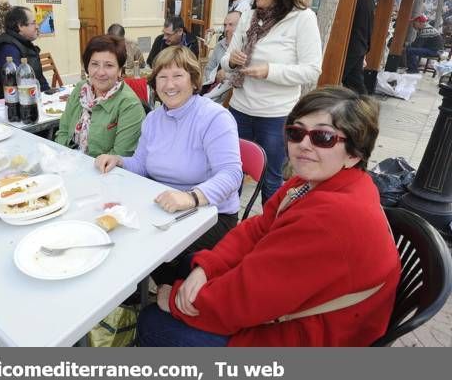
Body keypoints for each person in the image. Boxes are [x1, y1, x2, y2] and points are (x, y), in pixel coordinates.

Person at [137, 86, 401, 347]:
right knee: (191, 264)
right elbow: (258, 228)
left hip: (320, 333)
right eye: (296, 133)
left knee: (152, 322)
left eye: (323, 137)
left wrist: (174, 302)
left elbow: (248, 298)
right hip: (304, 303)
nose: (303, 145)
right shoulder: (313, 182)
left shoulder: (330, 217)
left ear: (355, 153)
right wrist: (209, 266)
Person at [95, 46, 242, 285]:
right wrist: (119, 161)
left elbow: (232, 174)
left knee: (147, 251)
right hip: (163, 206)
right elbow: (142, 164)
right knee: (117, 235)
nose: (169, 84)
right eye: (162, 77)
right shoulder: (153, 119)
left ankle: (162, 292)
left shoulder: (215, 117)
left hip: (211, 213)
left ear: (194, 81)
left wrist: (192, 197)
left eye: (177, 76)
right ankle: (144, 293)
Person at [221, 0, 322, 202]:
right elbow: (227, 58)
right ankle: (228, 226)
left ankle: (272, 233)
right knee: (231, 172)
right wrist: (231, 60)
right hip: (239, 109)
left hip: (275, 116)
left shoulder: (302, 18)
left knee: (271, 178)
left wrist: (270, 71)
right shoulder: (250, 16)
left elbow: (312, 69)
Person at [55, 34, 145, 157]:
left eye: (109, 65)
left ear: (119, 70)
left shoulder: (129, 105)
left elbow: (120, 155)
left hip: (104, 172)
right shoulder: (81, 89)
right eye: (95, 64)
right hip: (69, 163)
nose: (101, 72)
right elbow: (63, 132)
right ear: (87, 67)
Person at [0, 6, 50, 99]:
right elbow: (19, 84)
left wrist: (49, 94)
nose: (37, 27)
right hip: (10, 104)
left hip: (31, 98)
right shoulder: (8, 48)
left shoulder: (24, 43)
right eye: (33, 23)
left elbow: (39, 77)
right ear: (20, 26)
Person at [201, 11, 241, 104]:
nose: (226, 29)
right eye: (225, 25)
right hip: (211, 94)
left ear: (241, 27)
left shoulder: (245, 48)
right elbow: (209, 68)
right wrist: (213, 78)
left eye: (231, 25)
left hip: (231, 102)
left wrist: (226, 75)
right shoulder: (219, 45)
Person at [342, 0, 375, 95]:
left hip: (350, 46)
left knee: (337, 76)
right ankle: (364, 107)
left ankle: (364, 107)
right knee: (355, 82)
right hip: (360, 45)